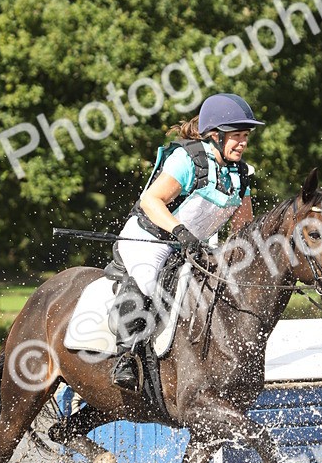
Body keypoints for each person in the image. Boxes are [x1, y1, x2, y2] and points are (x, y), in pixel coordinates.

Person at [111, 92, 263, 391]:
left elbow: (243, 226)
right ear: (215, 136)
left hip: (192, 247)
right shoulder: (187, 158)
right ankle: (125, 356)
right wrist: (180, 231)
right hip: (150, 238)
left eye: (245, 135)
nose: (242, 142)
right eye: (236, 136)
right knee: (147, 281)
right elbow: (151, 201)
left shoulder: (240, 173)